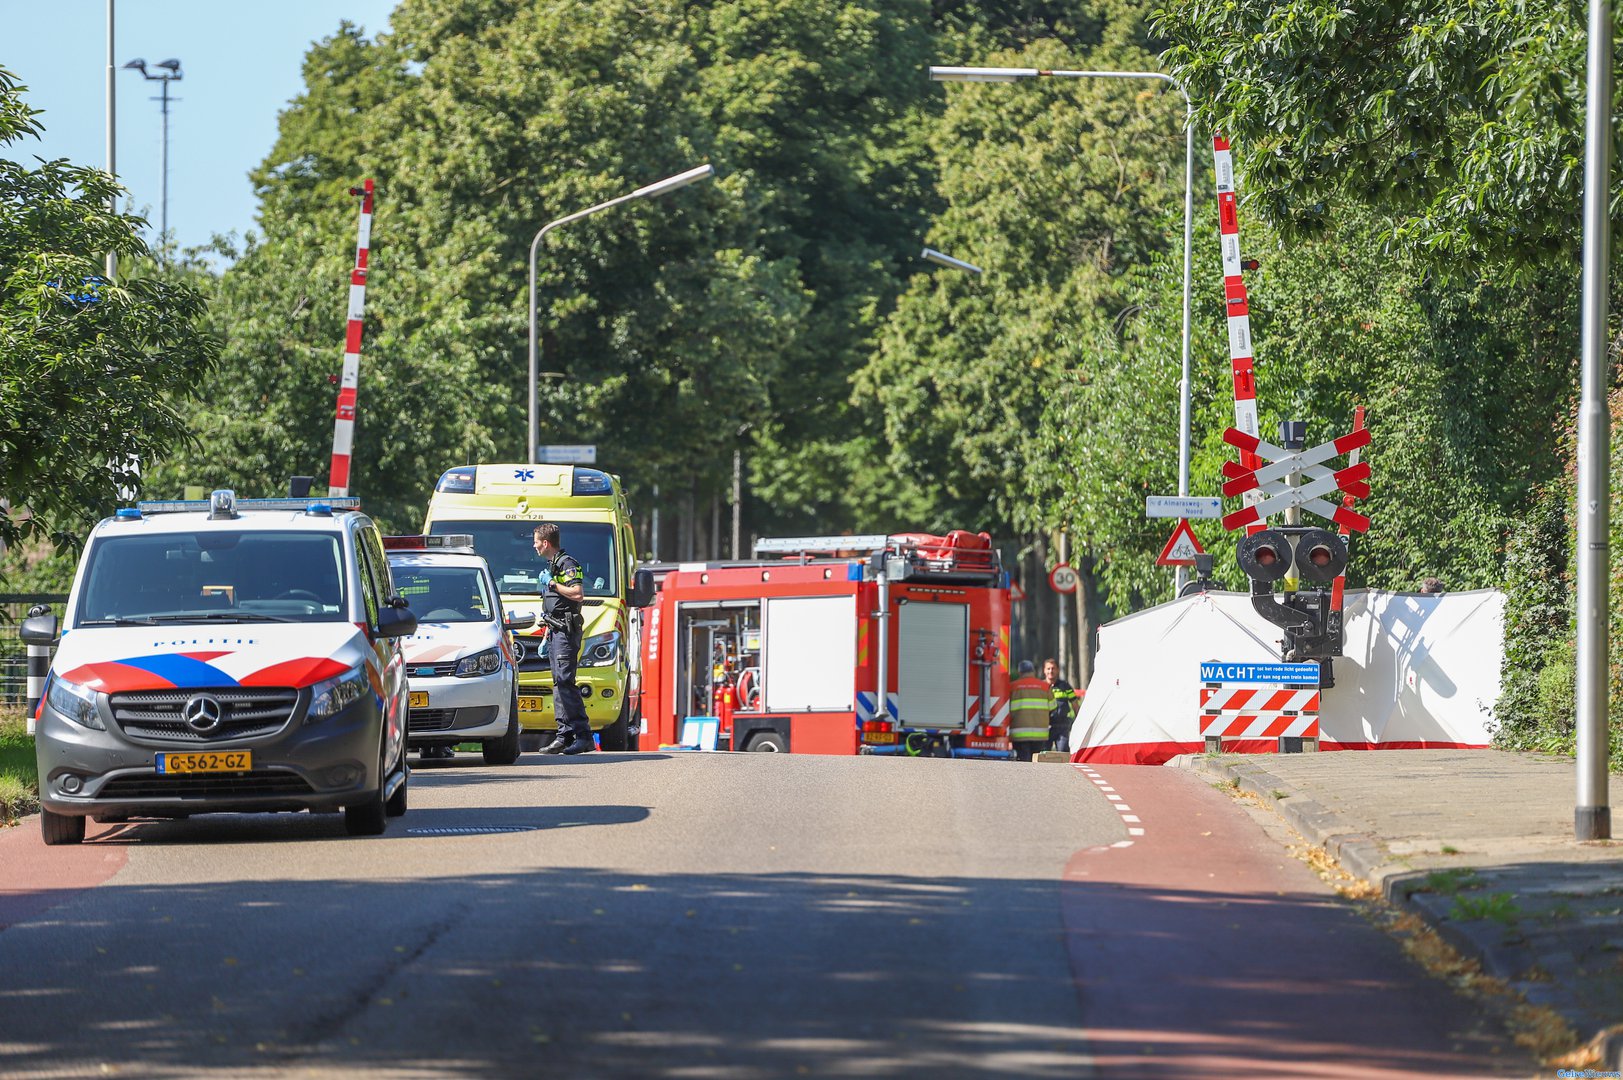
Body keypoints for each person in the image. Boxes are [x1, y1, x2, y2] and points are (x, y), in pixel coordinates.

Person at [532, 522, 592, 755]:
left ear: (546, 543)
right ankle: (564, 735)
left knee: (566, 681)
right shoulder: (553, 565)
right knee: (558, 683)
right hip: (556, 630)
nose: (534, 545)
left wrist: (552, 583)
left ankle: (584, 736)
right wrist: (547, 630)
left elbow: (577, 594)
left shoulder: (567, 564)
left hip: (566, 632)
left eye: (536, 541)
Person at [1008, 660, 1054, 762]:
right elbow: (1053, 707)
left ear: (1020, 672)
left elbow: (1006, 710)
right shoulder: (1045, 687)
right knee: (1036, 762)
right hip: (1040, 734)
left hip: (1019, 734)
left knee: (1024, 763)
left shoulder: (1012, 687)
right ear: (1033, 671)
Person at [1042, 657, 1081, 753]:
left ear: (1058, 670)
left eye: (1053, 668)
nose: (1051, 671)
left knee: (1063, 752)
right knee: (1043, 753)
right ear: (1044, 671)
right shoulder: (1040, 686)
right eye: (1048, 668)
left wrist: (1079, 722)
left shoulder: (1065, 686)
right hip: (1045, 726)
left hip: (1062, 726)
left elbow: (1075, 705)